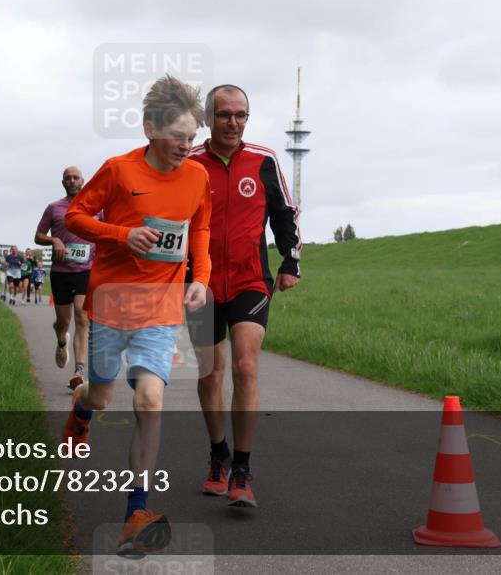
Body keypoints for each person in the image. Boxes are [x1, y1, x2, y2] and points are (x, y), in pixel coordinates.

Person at [63, 74, 212, 558]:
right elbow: (76, 217)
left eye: (192, 138)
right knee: (103, 395)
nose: (186, 147)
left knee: (150, 401)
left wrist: (200, 276)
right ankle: (83, 410)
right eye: (177, 137)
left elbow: (201, 228)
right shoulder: (119, 170)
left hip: (160, 310)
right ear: (150, 128)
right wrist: (120, 235)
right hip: (111, 304)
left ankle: (135, 515)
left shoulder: (197, 177)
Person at [186, 84, 302, 508]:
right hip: (200, 285)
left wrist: (291, 262)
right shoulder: (190, 162)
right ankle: (219, 455)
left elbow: (284, 214)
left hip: (251, 279)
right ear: (208, 117)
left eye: (240, 115)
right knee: (211, 374)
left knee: (246, 365)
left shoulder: (264, 160)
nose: (233, 123)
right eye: (224, 115)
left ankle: (242, 469)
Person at [34, 166, 97, 389]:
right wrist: (54, 240)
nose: (72, 181)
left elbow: (105, 231)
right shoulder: (53, 208)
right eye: (68, 178)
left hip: (86, 270)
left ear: (83, 181)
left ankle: (79, 371)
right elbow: (38, 236)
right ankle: (62, 340)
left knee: (82, 317)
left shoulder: (94, 207)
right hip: (61, 272)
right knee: (64, 321)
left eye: (75, 177)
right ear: (63, 183)